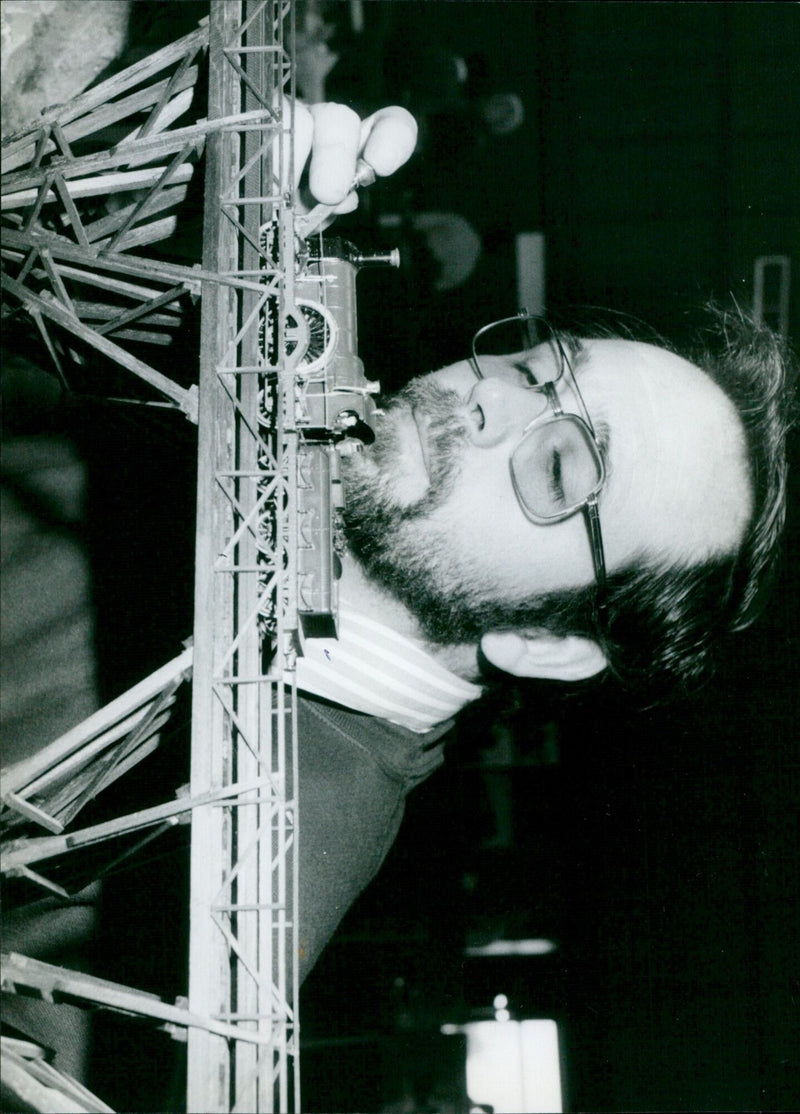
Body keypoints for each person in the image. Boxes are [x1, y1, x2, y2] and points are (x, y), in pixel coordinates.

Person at [288, 102, 794, 981]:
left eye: (561, 469)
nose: (490, 404)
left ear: (548, 645)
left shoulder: (266, 843)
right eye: (535, 371)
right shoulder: (270, 398)